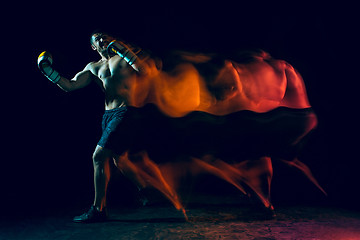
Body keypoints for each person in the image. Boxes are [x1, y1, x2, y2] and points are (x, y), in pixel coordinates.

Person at [37, 30, 151, 223]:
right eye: (98, 39)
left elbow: (145, 71)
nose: (103, 39)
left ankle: (99, 209)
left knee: (98, 156)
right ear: (93, 46)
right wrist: (48, 71)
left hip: (126, 112)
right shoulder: (93, 67)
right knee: (119, 160)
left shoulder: (123, 59)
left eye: (105, 36)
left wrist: (123, 50)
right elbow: (70, 85)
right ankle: (146, 189)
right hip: (107, 116)